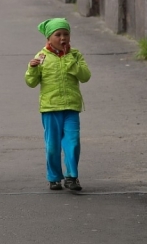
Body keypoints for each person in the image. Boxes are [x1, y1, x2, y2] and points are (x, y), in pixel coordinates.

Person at [25, 18, 91, 192]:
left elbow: (85, 76)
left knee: (73, 142)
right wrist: (32, 68)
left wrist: (69, 60)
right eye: (58, 34)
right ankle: (54, 177)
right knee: (53, 145)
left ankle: (71, 177)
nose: (63, 38)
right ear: (49, 38)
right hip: (50, 108)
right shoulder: (41, 57)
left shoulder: (75, 55)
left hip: (71, 107)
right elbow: (31, 82)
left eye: (66, 34)